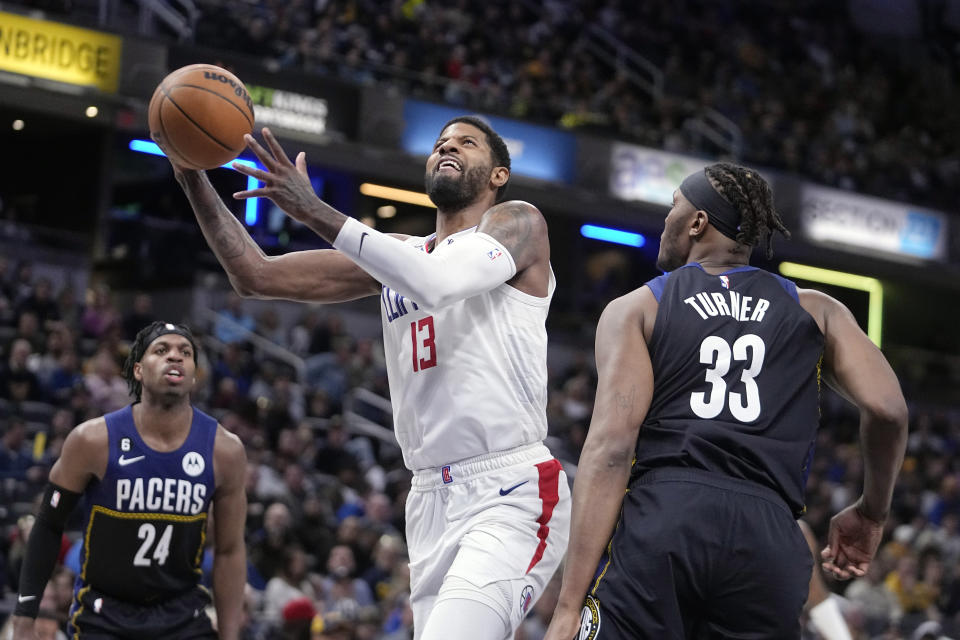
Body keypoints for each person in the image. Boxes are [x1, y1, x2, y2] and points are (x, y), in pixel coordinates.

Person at [159, 118, 571, 639]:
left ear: (498, 175)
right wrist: (191, 175)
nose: (447, 146)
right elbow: (255, 274)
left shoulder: (519, 223)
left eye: (466, 143)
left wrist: (313, 209)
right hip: (429, 497)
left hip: (510, 488)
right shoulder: (400, 255)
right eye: (440, 141)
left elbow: (438, 283)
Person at [543, 163, 908, 639]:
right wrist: (871, 511)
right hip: (768, 536)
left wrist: (569, 605)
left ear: (697, 223)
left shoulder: (639, 307)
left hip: (667, 515)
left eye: (674, 203)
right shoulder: (817, 309)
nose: (668, 216)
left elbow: (611, 448)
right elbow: (889, 409)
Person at [11, 321, 248, 639]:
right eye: (162, 350)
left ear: (193, 374)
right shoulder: (92, 440)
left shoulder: (225, 450)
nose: (175, 357)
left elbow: (230, 550)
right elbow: (48, 524)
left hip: (182, 618)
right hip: (103, 616)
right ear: (138, 370)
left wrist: (230, 636)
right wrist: (25, 617)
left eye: (185, 352)